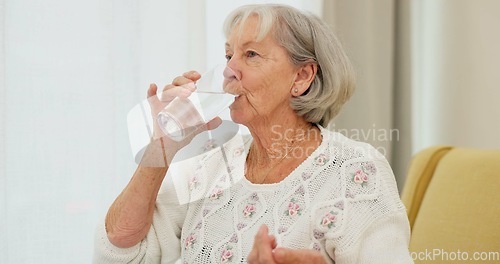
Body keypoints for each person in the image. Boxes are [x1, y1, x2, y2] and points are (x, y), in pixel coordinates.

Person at [94, 4, 413, 264]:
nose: (229, 70)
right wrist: (159, 149)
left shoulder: (354, 171)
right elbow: (120, 255)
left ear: (301, 77)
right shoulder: (212, 163)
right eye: (228, 55)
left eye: (251, 55)